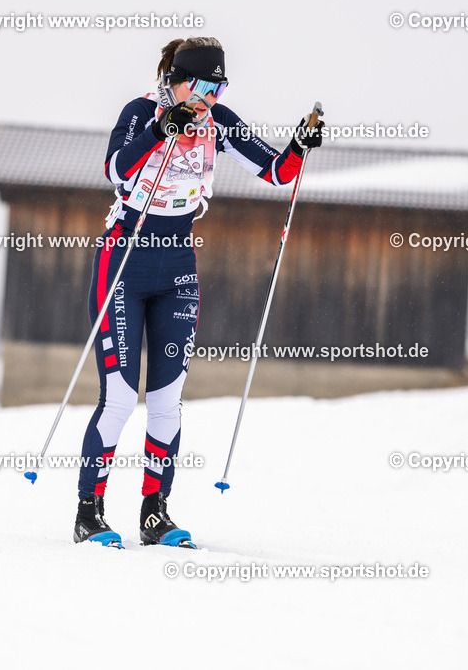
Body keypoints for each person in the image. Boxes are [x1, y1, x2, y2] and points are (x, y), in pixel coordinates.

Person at [74, 37, 324, 548]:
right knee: (121, 397)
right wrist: (161, 129)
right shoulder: (141, 110)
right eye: (205, 85)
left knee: (167, 401)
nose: (212, 96)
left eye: (220, 85)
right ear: (175, 79)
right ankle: (90, 513)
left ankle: (154, 515)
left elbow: (276, 172)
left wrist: (299, 145)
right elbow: (116, 169)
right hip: (126, 257)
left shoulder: (220, 120)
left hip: (178, 266)